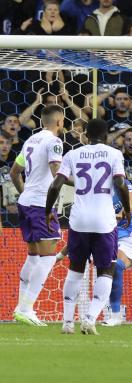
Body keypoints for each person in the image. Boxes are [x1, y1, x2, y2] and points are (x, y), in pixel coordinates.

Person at [45, 118, 131, 335]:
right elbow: (120, 183)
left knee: (75, 268)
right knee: (106, 270)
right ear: (106, 136)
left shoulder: (72, 154)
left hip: (79, 219)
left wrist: (48, 210)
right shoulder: (114, 154)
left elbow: (56, 183)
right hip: (104, 219)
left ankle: (66, 322)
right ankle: (90, 318)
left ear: (85, 134)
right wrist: (128, 210)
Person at [9, 105, 65, 327]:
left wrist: (26, 194)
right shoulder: (55, 142)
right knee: (49, 257)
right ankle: (26, 308)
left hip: (26, 203)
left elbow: (14, 172)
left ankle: (21, 309)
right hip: (42, 204)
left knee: (33, 256)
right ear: (59, 122)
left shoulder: (30, 140)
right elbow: (56, 172)